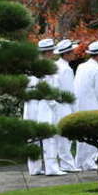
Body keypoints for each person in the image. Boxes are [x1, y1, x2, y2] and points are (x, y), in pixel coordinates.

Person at [25, 38, 66, 176]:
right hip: (44, 105)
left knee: (33, 138)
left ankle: (34, 168)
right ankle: (51, 167)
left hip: (31, 104)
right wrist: (54, 105)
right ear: (48, 52)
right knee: (49, 136)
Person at [73, 41, 98, 171]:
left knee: (82, 136)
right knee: (93, 136)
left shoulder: (81, 67)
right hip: (92, 105)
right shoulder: (97, 69)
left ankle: (79, 161)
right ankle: (89, 161)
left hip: (80, 105)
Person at [52, 39, 79, 172]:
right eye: (72, 52)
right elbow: (70, 92)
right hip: (64, 105)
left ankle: (64, 163)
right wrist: (75, 111)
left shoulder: (56, 66)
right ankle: (67, 164)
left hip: (57, 105)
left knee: (59, 137)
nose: (74, 54)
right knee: (65, 137)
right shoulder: (66, 70)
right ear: (67, 54)